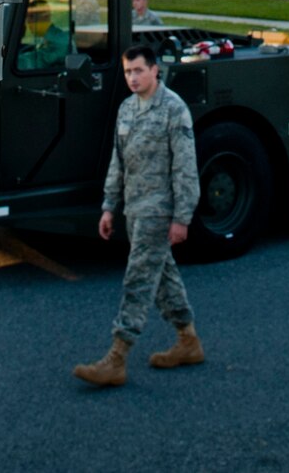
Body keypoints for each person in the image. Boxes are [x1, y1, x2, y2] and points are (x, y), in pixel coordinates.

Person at [72, 42, 204, 386]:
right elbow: (118, 162)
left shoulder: (174, 109)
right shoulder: (127, 109)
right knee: (164, 277)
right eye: (128, 71)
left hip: (159, 212)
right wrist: (108, 206)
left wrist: (182, 217)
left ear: (155, 70)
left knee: (138, 281)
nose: (132, 77)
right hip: (134, 209)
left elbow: (185, 168)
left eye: (139, 71)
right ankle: (188, 341)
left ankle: (117, 357)